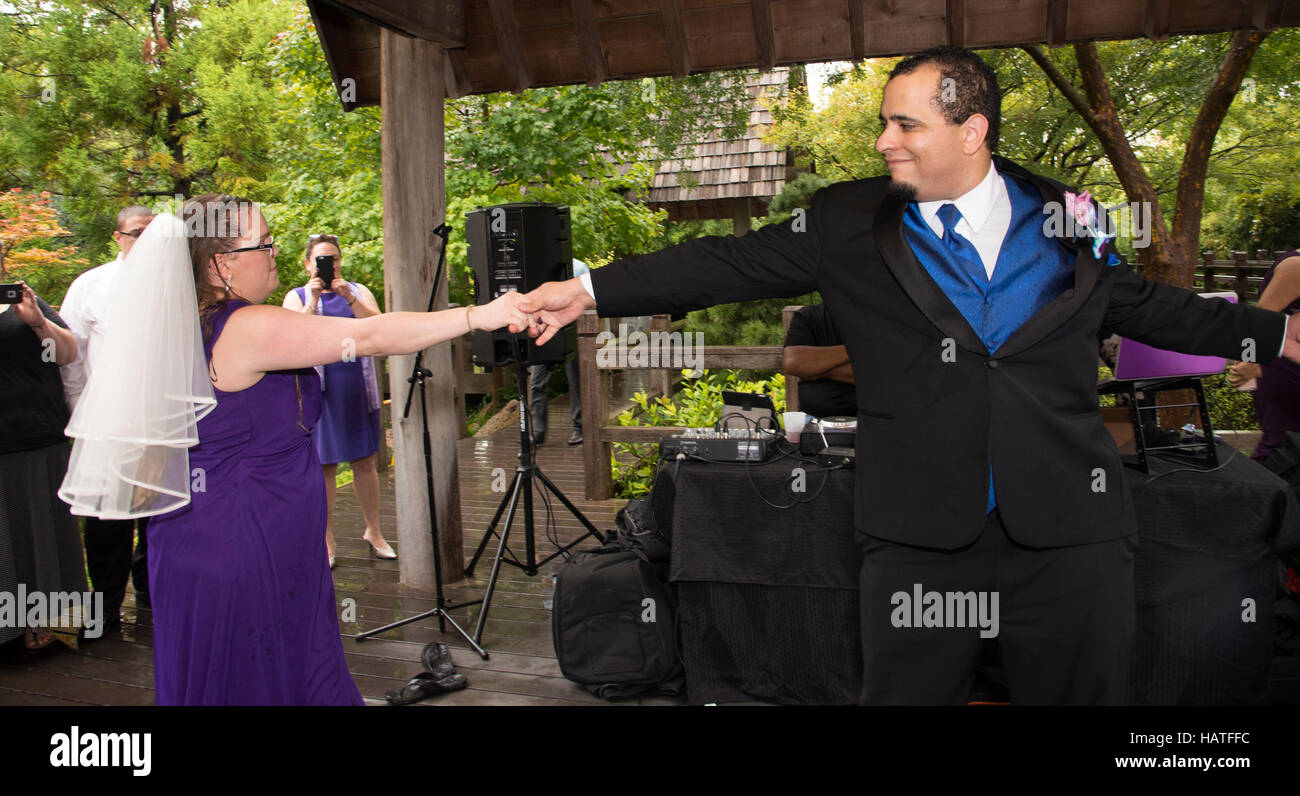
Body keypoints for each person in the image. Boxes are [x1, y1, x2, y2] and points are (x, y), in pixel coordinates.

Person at [517, 46, 1300, 705]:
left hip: (1073, 536)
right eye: (883, 122)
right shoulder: (845, 222)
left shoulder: (1068, 217)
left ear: (973, 130)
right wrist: (591, 288)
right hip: (920, 541)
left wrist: (1276, 335)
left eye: (906, 124)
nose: (887, 141)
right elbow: (724, 264)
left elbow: (1142, 305)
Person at [59, 195, 530, 705]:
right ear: (221, 264)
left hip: (216, 535)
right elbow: (370, 335)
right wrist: (478, 314)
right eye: (263, 243)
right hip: (244, 540)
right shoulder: (244, 325)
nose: (274, 252)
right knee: (259, 677)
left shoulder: (181, 328)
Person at [59, 205, 156, 623]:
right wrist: (81, 415)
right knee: (105, 524)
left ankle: (155, 601)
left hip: (160, 425)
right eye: (138, 233)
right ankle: (105, 611)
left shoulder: (182, 285)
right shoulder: (91, 285)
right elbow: (71, 356)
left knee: (159, 521)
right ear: (118, 238)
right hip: (106, 424)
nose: (147, 242)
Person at [283, 234, 393, 567]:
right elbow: (292, 336)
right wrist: (313, 300)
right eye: (321, 259)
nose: (329, 265)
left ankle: (374, 531)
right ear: (307, 263)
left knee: (365, 462)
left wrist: (348, 297)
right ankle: (326, 539)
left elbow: (378, 326)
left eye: (334, 258)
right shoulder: (297, 296)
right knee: (324, 466)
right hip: (319, 388)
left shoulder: (356, 291)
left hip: (356, 386)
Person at [0, 281, 85, 650]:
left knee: (42, 536)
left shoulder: (26, 301)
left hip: (40, 439)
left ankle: (42, 619)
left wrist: (36, 322)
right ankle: (9, 629)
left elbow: (67, 353)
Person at [1228, 249, 1300, 462]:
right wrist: (1250, 359)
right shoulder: (1296, 266)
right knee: (1282, 449)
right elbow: (1257, 319)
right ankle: (1261, 494)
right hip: (1285, 372)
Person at [527, 259, 588, 445]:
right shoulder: (537, 269)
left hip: (571, 331)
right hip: (545, 331)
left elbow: (589, 301)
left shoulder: (579, 267)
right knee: (537, 382)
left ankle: (579, 428)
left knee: (576, 381)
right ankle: (537, 432)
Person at [782, 303, 856, 419]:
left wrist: (815, 369)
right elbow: (793, 362)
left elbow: (873, 375)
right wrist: (860, 349)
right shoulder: (808, 316)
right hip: (815, 419)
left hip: (873, 419)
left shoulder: (882, 316)